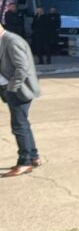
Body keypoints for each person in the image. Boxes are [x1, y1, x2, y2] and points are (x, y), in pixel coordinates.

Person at [0, 19, 42, 177]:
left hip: (18, 91)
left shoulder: (12, 41)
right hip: (10, 89)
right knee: (23, 124)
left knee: (19, 126)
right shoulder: (4, 40)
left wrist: (12, 88)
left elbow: (22, 68)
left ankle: (25, 162)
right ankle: (33, 156)